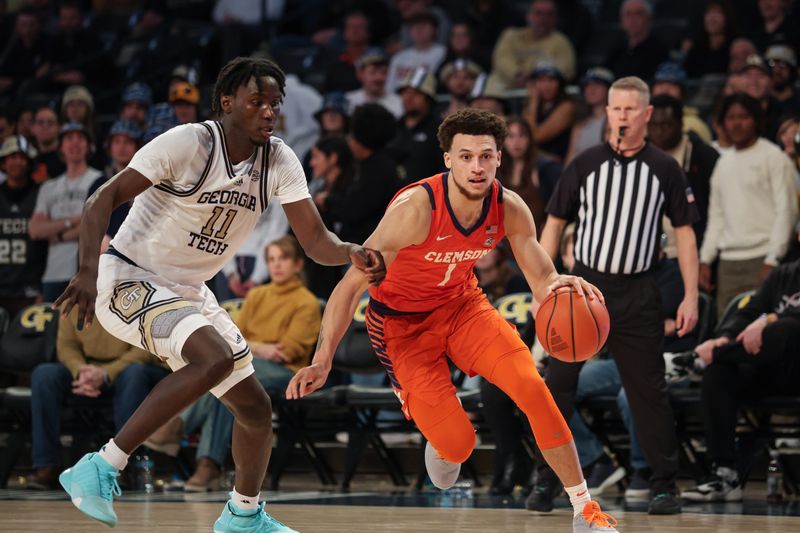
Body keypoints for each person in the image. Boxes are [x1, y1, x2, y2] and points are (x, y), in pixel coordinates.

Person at [53, 56, 385, 533]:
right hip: (129, 277)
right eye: (257, 102)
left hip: (189, 292)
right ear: (228, 102)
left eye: (276, 104)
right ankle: (102, 465)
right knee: (213, 360)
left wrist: (351, 250)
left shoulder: (280, 159)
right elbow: (100, 198)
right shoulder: (189, 143)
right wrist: (86, 271)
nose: (269, 112)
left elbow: (315, 243)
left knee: (255, 409)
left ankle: (243, 515)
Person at [287, 108, 619, 533]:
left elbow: (543, 279)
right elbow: (348, 287)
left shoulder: (510, 207)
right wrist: (322, 360)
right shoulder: (415, 209)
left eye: (485, 156)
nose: (476, 166)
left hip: (463, 307)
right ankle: (443, 437)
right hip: (401, 326)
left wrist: (561, 284)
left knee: (533, 387)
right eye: (465, 156)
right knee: (458, 445)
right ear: (447, 159)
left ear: (500, 158)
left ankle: (584, 510)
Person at [538, 76, 700, 515]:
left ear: (647, 115)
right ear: (606, 112)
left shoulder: (665, 167)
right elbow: (553, 224)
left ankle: (664, 484)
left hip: (638, 289)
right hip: (584, 285)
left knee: (648, 390)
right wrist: (544, 285)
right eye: (616, 109)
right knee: (557, 386)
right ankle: (547, 480)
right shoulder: (584, 163)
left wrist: (690, 295)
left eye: (631, 109)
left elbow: (684, 234)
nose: (623, 116)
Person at [147, 235, 321, 492]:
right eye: (271, 259)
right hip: (252, 364)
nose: (277, 265)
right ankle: (207, 464)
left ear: (297, 264)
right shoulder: (256, 295)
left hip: (287, 373)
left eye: (283, 259)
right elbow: (235, 337)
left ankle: (181, 427)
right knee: (232, 380)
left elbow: (289, 350)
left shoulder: (307, 302)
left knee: (232, 373)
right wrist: (261, 347)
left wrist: (252, 347)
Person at [683, 258, 800, 502]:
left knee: (787, 329)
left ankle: (696, 360)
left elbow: (779, 322)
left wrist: (768, 321)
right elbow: (750, 309)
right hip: (770, 369)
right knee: (719, 373)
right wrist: (725, 337)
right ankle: (725, 475)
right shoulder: (784, 274)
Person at [26, 307, 168, 490]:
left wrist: (106, 373)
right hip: (88, 369)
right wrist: (80, 371)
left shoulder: (136, 296)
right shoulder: (74, 301)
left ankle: (119, 466)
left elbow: (144, 349)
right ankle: (47, 465)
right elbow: (66, 346)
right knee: (44, 374)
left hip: (128, 368)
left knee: (135, 375)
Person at [699, 93, 798, 318]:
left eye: (744, 116)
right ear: (722, 124)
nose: (736, 123)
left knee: (761, 333)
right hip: (728, 264)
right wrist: (705, 260)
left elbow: (787, 212)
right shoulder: (722, 164)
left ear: (756, 120)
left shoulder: (774, 157)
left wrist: (772, 259)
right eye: (731, 117)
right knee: (726, 334)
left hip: (763, 257)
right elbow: (717, 217)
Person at [29, 122, 102, 302]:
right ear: (61, 146)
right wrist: (73, 221)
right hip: (52, 274)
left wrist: (57, 233)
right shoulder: (49, 187)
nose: (75, 143)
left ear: (88, 145)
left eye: (80, 138)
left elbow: (96, 225)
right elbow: (35, 230)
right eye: (69, 138)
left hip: (85, 272)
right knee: (52, 329)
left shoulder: (99, 180)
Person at [647, 95, 719, 249]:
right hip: (649, 254)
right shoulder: (637, 157)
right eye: (653, 125)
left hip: (693, 249)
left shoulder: (703, 156)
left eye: (666, 125)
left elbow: (717, 211)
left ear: (680, 124)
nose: (659, 131)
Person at [0, 135, 47, 318]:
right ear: (3, 163)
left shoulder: (40, 194)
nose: (17, 162)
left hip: (29, 287)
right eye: (12, 157)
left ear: (29, 163)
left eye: (22, 158)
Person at [490, 0, 576, 88]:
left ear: (556, 18)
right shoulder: (510, 36)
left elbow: (566, 71)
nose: (544, 18)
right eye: (539, 13)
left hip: (544, 93)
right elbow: (501, 61)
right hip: (505, 92)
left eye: (549, 14)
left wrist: (535, 79)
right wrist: (518, 75)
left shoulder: (561, 41)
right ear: (529, 16)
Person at [523, 64, 575, 163]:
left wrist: (533, 101)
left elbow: (535, 137)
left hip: (555, 164)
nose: (547, 85)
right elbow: (523, 136)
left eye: (551, 80)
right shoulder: (531, 105)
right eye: (541, 80)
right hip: (537, 160)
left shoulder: (567, 106)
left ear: (559, 83)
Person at [604, 0, 668, 80]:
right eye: (628, 14)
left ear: (649, 18)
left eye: (638, 14)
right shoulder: (617, 50)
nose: (632, 19)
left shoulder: (659, 51)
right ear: (622, 21)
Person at [566, 67, 613, 164]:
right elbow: (569, 161)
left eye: (598, 84)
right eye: (587, 85)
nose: (591, 89)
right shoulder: (579, 126)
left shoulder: (616, 121)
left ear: (609, 90)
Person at [682, 0, 734, 79]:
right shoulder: (696, 48)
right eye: (708, 13)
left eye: (718, 13)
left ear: (727, 17)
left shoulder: (735, 47)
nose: (712, 18)